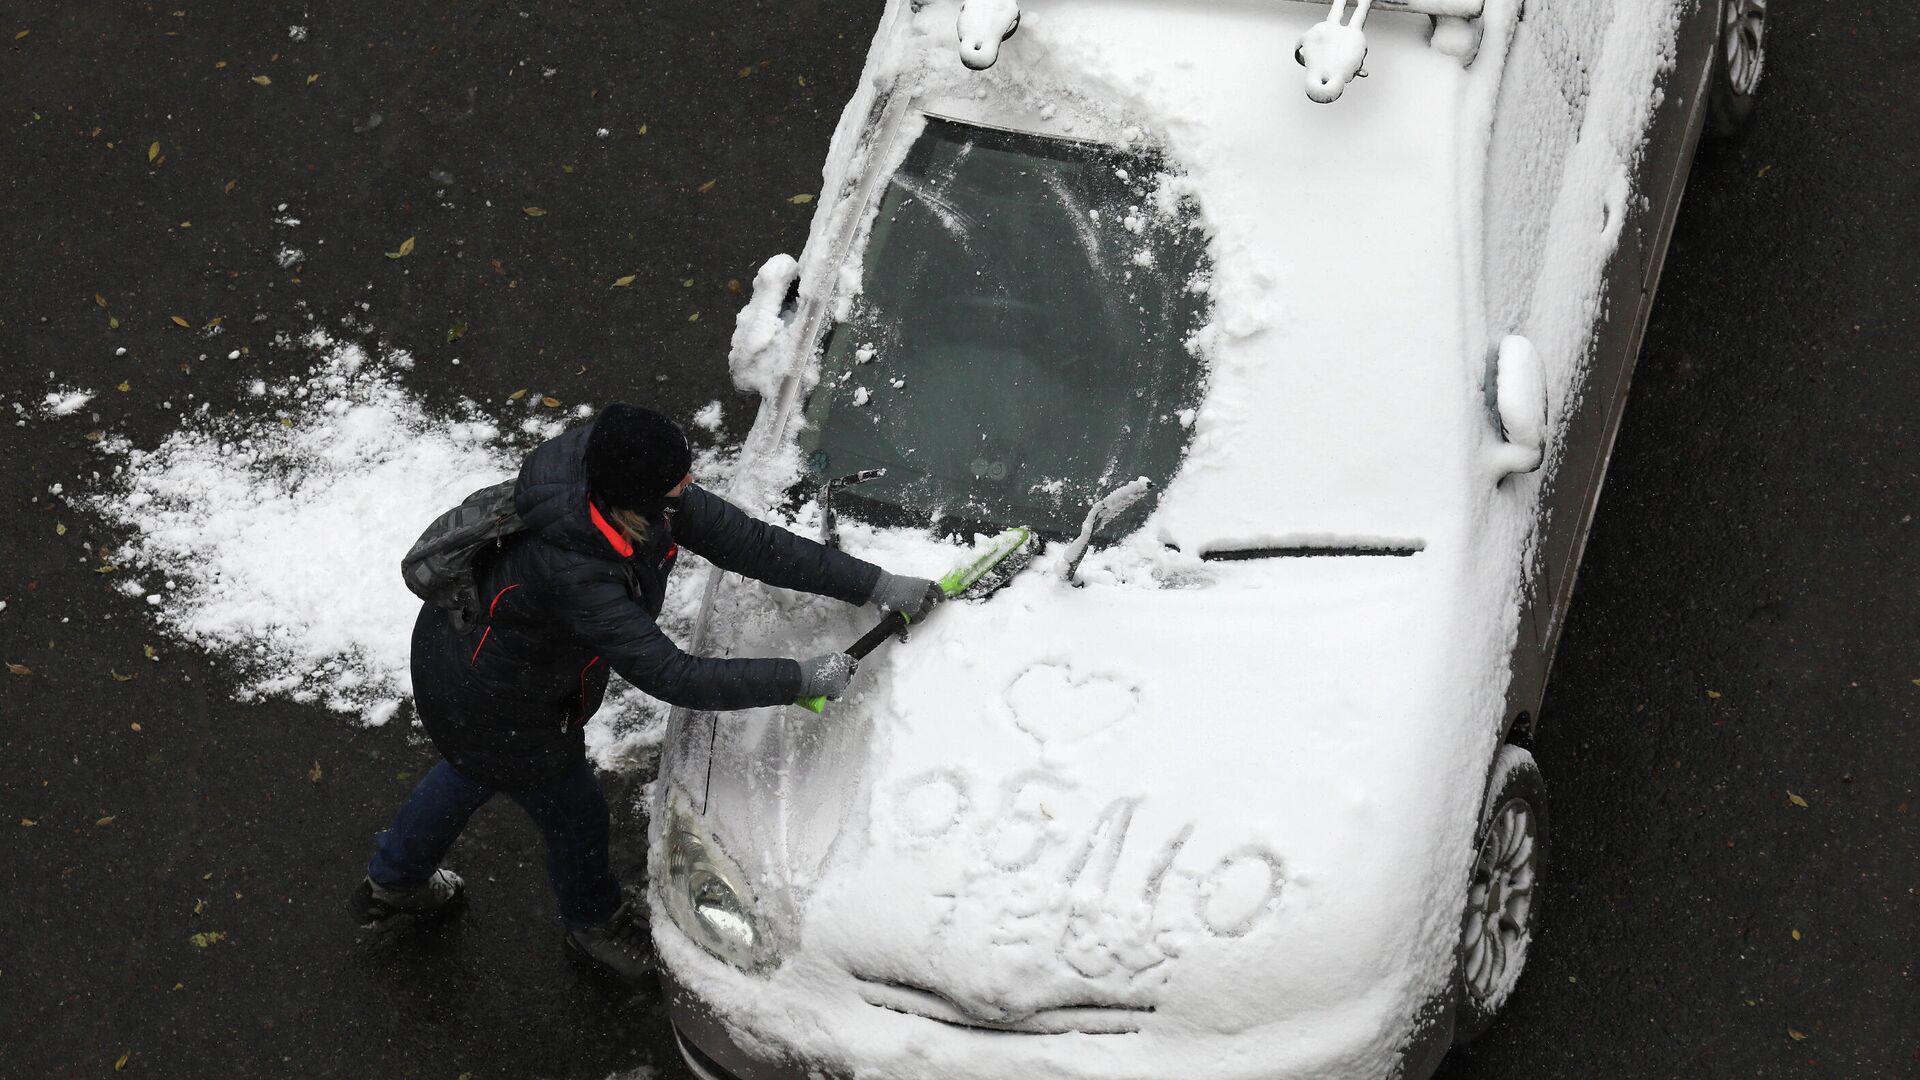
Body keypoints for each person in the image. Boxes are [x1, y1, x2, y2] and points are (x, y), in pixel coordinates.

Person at [351, 403, 939, 984]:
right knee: (573, 813)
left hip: (472, 659)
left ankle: (394, 880)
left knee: (471, 769)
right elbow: (673, 675)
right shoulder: (574, 568)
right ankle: (593, 924)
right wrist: (800, 678)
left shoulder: (620, 479)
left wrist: (875, 583)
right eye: (677, 484)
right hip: (493, 698)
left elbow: (749, 543)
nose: (690, 486)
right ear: (637, 499)